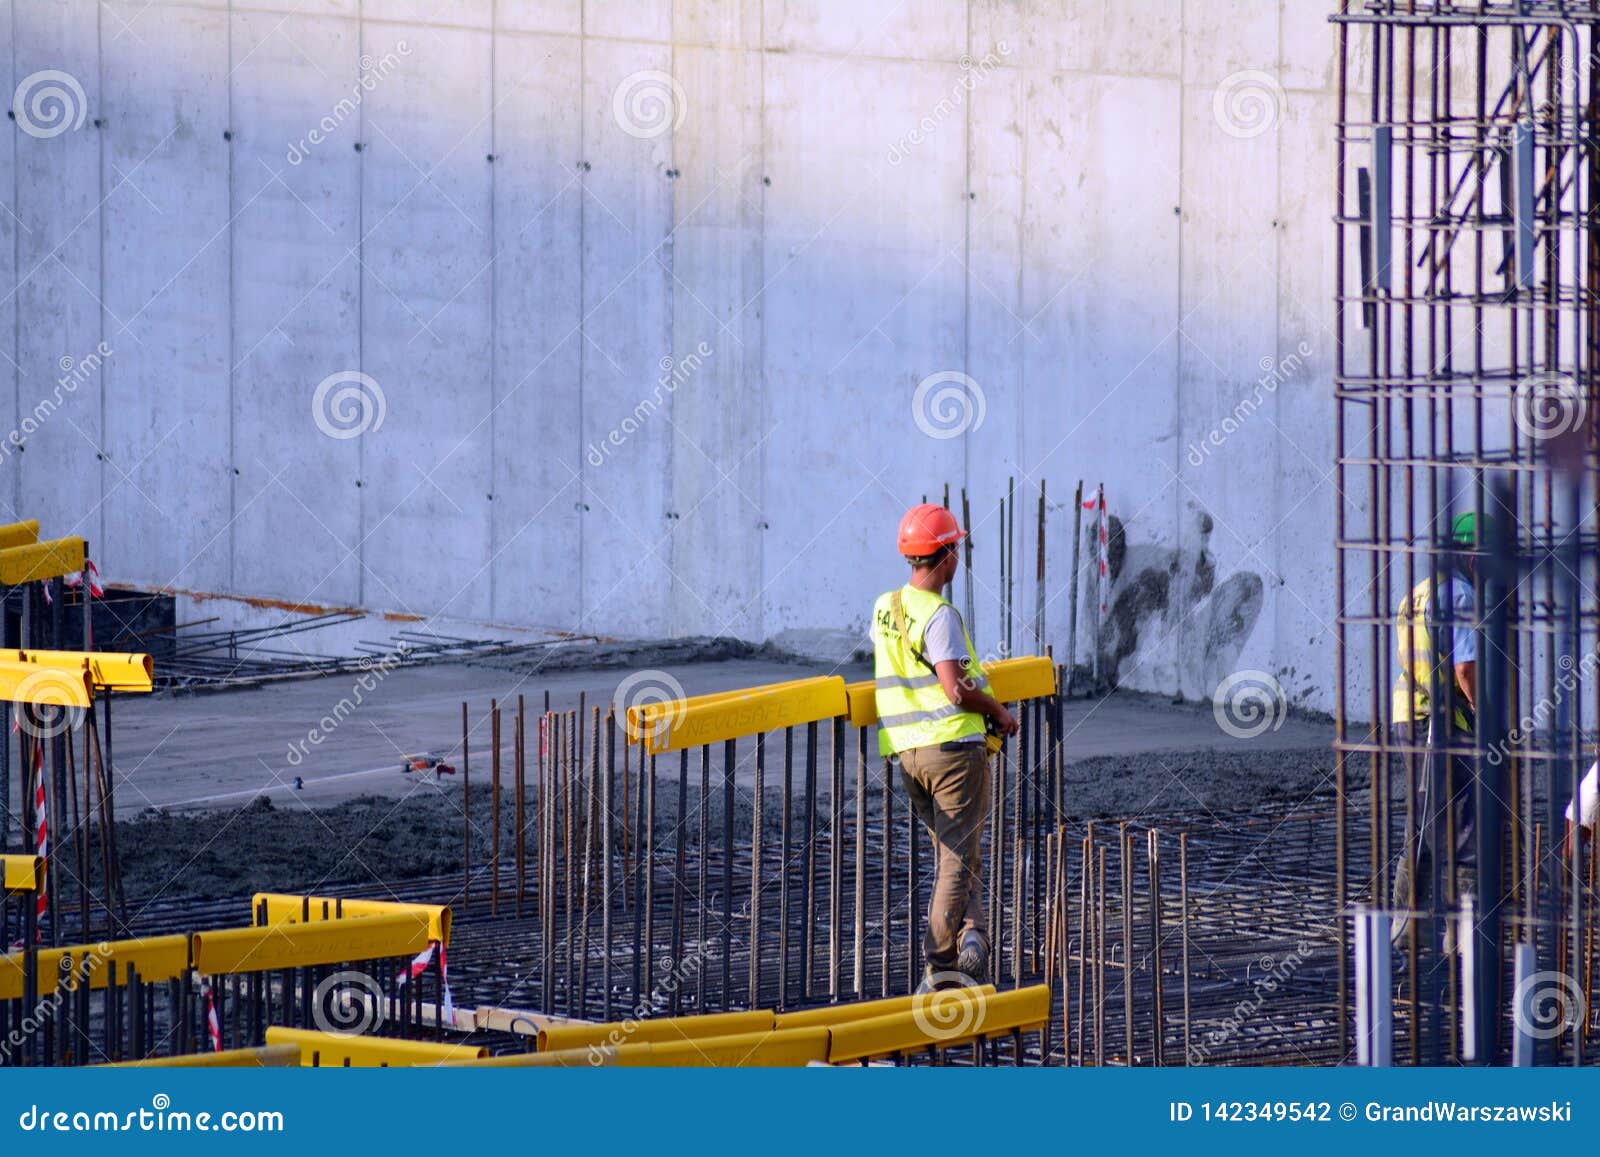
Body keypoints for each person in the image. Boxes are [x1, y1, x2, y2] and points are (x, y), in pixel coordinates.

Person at [871, 503, 1018, 991]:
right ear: (946, 555)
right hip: (952, 749)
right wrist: (996, 710)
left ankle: (973, 937)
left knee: (957, 849)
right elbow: (955, 689)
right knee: (957, 857)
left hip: (907, 754)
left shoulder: (887, 606)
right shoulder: (941, 615)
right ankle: (938, 963)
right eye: (957, 549)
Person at [1389, 511, 1480, 943]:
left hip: (1410, 715)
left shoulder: (1418, 594)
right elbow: (1465, 668)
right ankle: (1461, 936)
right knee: (1464, 826)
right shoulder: (1459, 595)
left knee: (1423, 820)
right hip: (1443, 722)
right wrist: (1485, 710)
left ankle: (1407, 928)